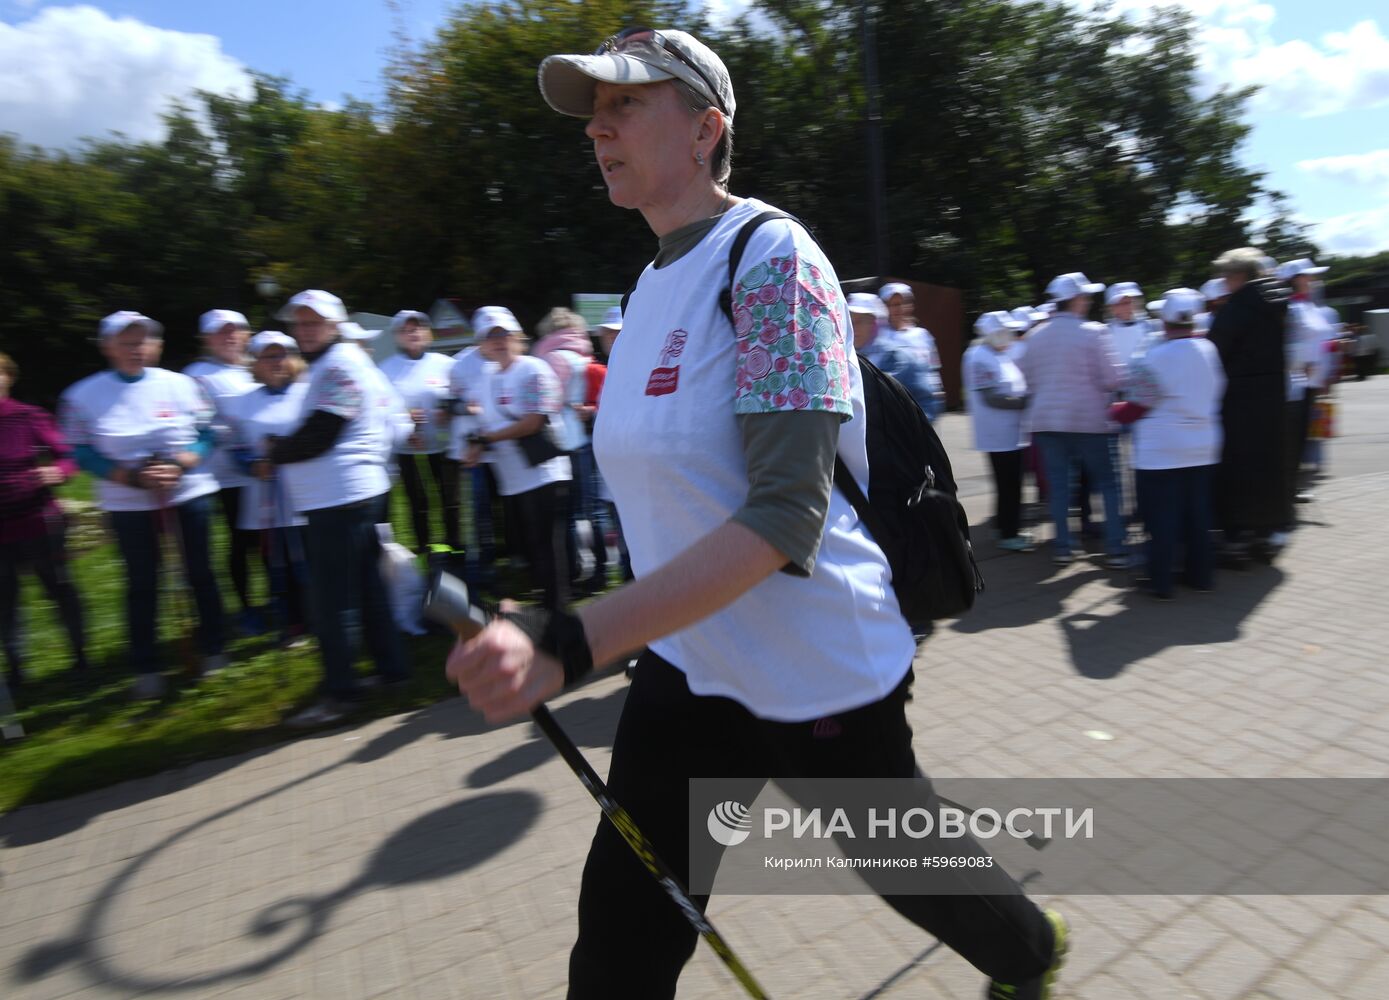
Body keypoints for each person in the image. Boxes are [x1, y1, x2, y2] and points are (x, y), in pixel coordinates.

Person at [447, 28, 1066, 1000]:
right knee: (618, 942)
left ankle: (1030, 953)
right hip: (687, 665)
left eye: (624, 104)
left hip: (813, 666)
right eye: (593, 113)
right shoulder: (648, 286)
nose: (598, 129)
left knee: (911, 867)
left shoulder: (773, 259)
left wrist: (570, 641)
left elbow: (785, 518)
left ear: (705, 130)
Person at [61, 312, 225, 699]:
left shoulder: (182, 384)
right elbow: (80, 450)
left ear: (154, 345)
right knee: (142, 582)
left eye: (142, 341)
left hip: (188, 492)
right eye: (126, 342)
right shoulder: (81, 395)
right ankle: (147, 667)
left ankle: (215, 650)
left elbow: (208, 432)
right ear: (107, 347)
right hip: (127, 502)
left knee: (200, 573)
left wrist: (182, 463)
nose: (136, 349)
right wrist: (130, 477)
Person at [266, 291, 407, 727]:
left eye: (314, 322)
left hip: (340, 499)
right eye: (299, 323)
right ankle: (392, 671)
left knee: (333, 600)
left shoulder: (340, 365)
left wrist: (275, 452)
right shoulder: (337, 362)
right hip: (346, 495)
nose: (304, 330)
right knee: (366, 588)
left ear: (335, 325)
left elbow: (321, 433)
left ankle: (341, 694)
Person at [1110, 290, 1226, 600]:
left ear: (1164, 321)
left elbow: (1136, 407)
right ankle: (1201, 576)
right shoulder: (1209, 349)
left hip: (1162, 452)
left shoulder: (1155, 357)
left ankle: (1160, 581)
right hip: (1203, 447)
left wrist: (1112, 411)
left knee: (1161, 519)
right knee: (1198, 517)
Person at [462, 306, 573, 612]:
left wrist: (486, 440)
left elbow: (533, 422)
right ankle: (546, 607)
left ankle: (558, 613)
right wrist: (476, 445)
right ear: (481, 345)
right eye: (490, 336)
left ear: (517, 337)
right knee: (528, 546)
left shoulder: (534, 370)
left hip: (545, 474)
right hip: (512, 479)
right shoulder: (486, 378)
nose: (498, 341)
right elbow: (486, 424)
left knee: (547, 546)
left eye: (504, 334)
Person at [1019, 272, 1125, 567]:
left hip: (1045, 421)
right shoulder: (1094, 332)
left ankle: (1064, 547)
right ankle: (1116, 549)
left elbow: (1026, 378)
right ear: (1076, 299)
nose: (1088, 301)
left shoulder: (1034, 335)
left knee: (1059, 486)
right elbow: (1113, 378)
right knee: (1108, 484)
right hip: (1088, 420)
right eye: (1086, 296)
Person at [0, 351, 88, 691]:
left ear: (9, 377)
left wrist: (58, 471)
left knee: (60, 588)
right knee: (5, 601)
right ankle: (16, 669)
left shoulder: (28, 416)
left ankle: (80, 657)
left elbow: (69, 455)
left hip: (38, 521)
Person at [224, 332, 311, 647]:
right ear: (255, 364)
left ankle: (318, 617)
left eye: (282, 355)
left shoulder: (308, 393)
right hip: (264, 496)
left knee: (308, 558)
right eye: (268, 356)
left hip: (307, 492)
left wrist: (287, 450)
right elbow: (234, 445)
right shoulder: (242, 402)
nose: (276, 362)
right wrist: (252, 464)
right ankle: (292, 623)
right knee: (276, 561)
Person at [1206, 248, 1289, 562]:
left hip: (1240, 397)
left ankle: (1238, 536)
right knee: (1269, 463)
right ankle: (1266, 532)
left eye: (1226, 277)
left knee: (1239, 466)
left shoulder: (1238, 306)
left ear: (1239, 275)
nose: (1224, 283)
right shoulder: (1279, 301)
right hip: (1273, 394)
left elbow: (1215, 350)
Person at [185, 310, 260, 634]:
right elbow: (195, 425)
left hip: (267, 469)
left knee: (268, 541)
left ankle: (281, 600)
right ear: (207, 339)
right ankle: (246, 607)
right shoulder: (196, 375)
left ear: (246, 335)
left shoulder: (258, 365)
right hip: (226, 476)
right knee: (241, 541)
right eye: (220, 332)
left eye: (235, 331)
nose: (229, 337)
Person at [379, 310, 461, 554]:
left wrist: (448, 411)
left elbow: (461, 397)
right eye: (406, 330)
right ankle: (424, 549)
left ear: (428, 333)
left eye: (417, 329)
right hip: (408, 447)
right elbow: (382, 407)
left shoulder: (446, 364)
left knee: (451, 497)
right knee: (418, 500)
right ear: (397, 336)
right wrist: (405, 417)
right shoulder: (386, 369)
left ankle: (455, 546)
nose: (412, 334)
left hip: (444, 445)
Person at [963, 311, 1033, 552]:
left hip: (1009, 433)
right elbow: (992, 397)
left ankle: (1003, 526)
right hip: (998, 434)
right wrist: (1025, 402)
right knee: (1009, 485)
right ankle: (1009, 534)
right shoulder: (979, 357)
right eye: (1005, 332)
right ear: (992, 333)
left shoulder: (997, 354)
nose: (1010, 336)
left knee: (1009, 484)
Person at [1277, 259, 1334, 512]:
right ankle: (1284, 492)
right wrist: (1299, 365)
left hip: (1312, 384)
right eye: (1308, 276)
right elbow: (1287, 343)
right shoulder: (1290, 307)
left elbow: (1323, 340)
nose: (1312, 280)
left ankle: (1291, 488)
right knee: (1291, 440)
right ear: (1295, 279)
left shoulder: (1309, 305)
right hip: (1295, 386)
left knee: (1301, 440)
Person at [447, 329, 499, 578]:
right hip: (472, 449)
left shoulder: (508, 360)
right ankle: (479, 566)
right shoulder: (460, 363)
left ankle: (501, 557)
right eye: (488, 336)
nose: (493, 341)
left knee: (501, 509)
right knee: (478, 510)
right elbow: (450, 403)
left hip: (502, 447)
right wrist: (466, 408)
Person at [878, 281, 946, 418]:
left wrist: (937, 390)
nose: (899, 309)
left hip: (925, 408)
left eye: (903, 303)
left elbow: (932, 367)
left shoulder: (923, 335)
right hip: (894, 408)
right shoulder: (879, 337)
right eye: (894, 304)